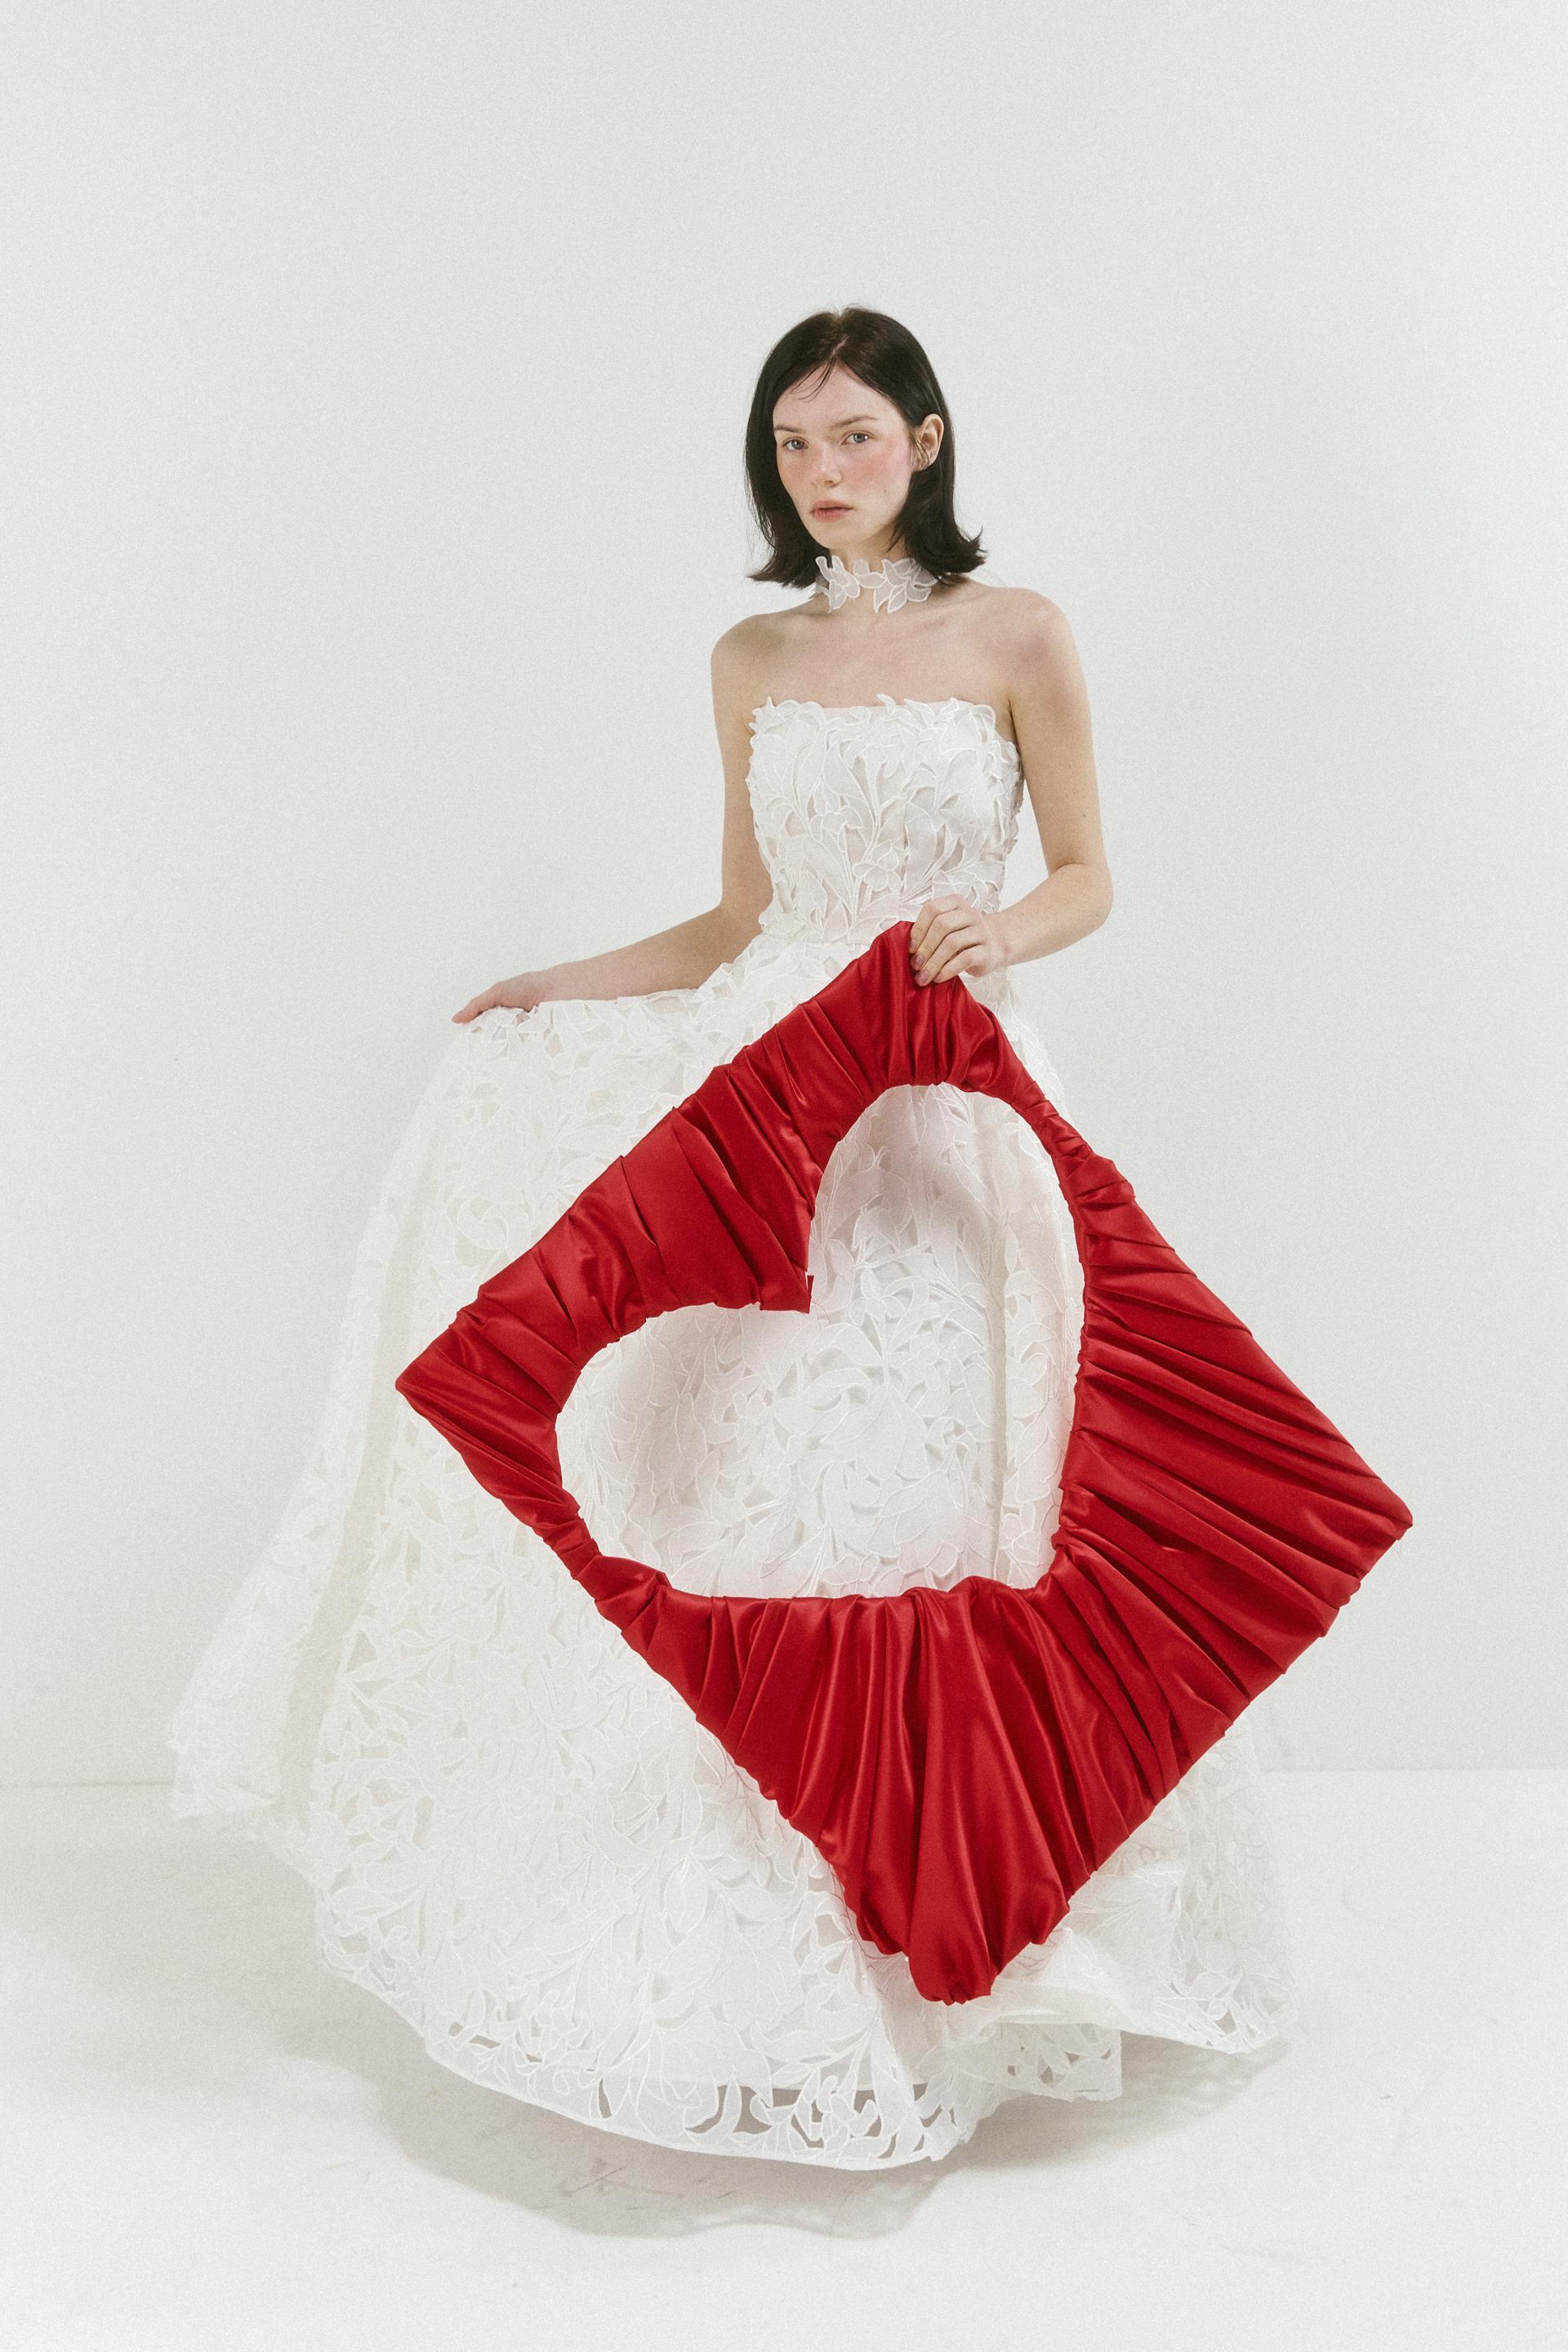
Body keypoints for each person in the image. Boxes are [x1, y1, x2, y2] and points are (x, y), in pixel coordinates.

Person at [168, 306, 1300, 2170]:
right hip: (772, 1086)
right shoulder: (752, 654)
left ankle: (970, 1907)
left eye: (853, 435)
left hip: (942, 1086)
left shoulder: (1018, 632)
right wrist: (560, 987)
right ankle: (714, 1931)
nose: (822, 472)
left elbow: (1088, 873)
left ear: (927, 439)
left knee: (958, 1476)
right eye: (791, 444)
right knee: (730, 1476)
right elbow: (738, 919)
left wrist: (1002, 934)